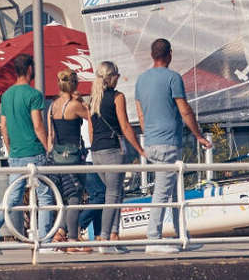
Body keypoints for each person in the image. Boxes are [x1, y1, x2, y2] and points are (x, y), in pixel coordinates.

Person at [135, 39, 211, 253]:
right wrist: (199, 136)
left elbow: (140, 114)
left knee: (177, 190)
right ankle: (153, 238)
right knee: (162, 191)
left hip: (151, 141)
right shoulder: (173, 78)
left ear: (152, 55)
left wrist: (149, 134)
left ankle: (181, 235)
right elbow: (185, 110)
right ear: (169, 54)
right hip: (168, 142)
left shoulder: (141, 80)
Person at [0, 53, 56, 246]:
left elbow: (3, 126)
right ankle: (44, 239)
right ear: (30, 69)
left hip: (16, 154)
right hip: (35, 152)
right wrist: (48, 148)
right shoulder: (34, 95)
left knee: (12, 196)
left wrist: (10, 147)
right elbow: (38, 125)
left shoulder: (6, 95)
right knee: (45, 196)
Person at [88, 60, 145, 250]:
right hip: (113, 149)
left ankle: (114, 235)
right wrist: (139, 148)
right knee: (113, 195)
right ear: (112, 77)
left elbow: (90, 129)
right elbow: (125, 126)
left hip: (96, 151)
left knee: (116, 192)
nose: (118, 79)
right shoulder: (117, 97)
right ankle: (105, 238)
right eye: (117, 76)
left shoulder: (93, 99)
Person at [46, 68, 90, 251]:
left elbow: (51, 135)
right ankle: (72, 240)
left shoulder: (53, 105)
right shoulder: (75, 105)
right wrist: (83, 102)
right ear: (74, 85)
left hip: (56, 156)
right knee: (74, 198)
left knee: (64, 199)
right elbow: (92, 116)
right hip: (73, 157)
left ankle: (60, 234)